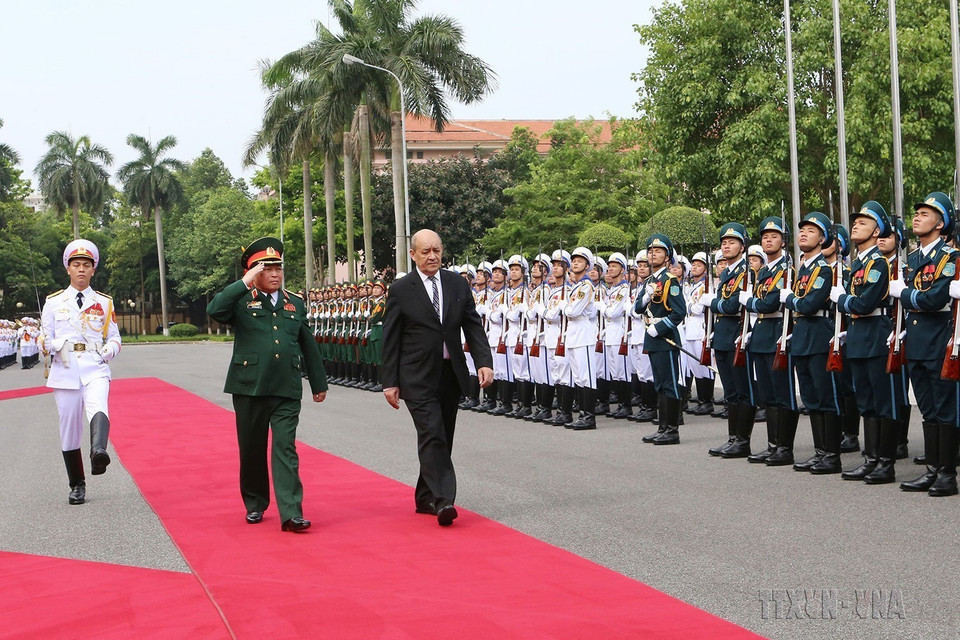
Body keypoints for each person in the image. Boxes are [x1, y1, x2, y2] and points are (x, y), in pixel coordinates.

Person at [206, 237, 328, 532]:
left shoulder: (294, 302)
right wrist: (244, 282)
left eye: (278, 268)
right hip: (250, 386)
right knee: (252, 448)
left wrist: (318, 382)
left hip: (286, 385)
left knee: (285, 447)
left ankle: (291, 513)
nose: (275, 274)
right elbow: (215, 310)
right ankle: (255, 502)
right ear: (253, 272)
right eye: (267, 269)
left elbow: (307, 343)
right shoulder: (240, 300)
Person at [381, 229, 494, 526]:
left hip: (449, 373)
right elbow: (390, 338)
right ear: (413, 254)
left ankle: (424, 496)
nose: (432, 256)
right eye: (426, 251)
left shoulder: (456, 284)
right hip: (416, 375)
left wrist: (483, 361)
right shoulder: (401, 289)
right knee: (431, 432)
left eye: (437, 250)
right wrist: (389, 381)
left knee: (443, 434)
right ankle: (444, 499)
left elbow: (472, 325)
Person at [41, 239, 122, 505]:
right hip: (65, 368)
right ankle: (77, 484)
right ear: (68, 268)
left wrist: (108, 351)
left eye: (86, 265)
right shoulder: (54, 302)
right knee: (69, 427)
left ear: (93, 270)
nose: (81, 269)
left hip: (94, 365)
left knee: (98, 405)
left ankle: (98, 452)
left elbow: (115, 337)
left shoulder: (104, 302)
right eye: (76, 264)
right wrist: (52, 345)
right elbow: (44, 338)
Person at [897, 192, 959, 496]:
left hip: (939, 341)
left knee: (945, 407)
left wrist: (904, 294)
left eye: (925, 213)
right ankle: (933, 469)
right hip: (918, 342)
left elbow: (934, 299)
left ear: (941, 223)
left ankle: (947, 474)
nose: (917, 217)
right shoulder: (914, 259)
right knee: (927, 408)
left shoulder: (950, 258)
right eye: (917, 212)